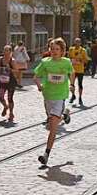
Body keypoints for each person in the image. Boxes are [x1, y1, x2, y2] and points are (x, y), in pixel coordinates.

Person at [34, 38, 73, 167]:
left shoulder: (66, 62)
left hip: (60, 96)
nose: (54, 51)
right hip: (48, 96)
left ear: (62, 51)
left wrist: (72, 84)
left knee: (53, 128)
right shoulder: (45, 63)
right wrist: (39, 85)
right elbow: (36, 76)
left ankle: (46, 155)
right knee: (53, 123)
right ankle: (65, 115)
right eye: (52, 49)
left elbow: (72, 73)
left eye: (57, 49)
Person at [0, 44, 17, 122]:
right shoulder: (0, 59)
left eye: (7, 51)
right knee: (0, 96)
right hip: (2, 80)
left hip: (11, 81)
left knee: (10, 98)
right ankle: (5, 106)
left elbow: (16, 70)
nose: (5, 52)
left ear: (10, 52)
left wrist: (10, 69)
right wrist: (1, 69)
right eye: (4, 50)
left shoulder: (12, 60)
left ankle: (11, 113)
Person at [68, 38, 88, 106]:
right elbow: (69, 58)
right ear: (74, 42)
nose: (77, 43)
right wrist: (71, 60)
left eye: (78, 42)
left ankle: (80, 98)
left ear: (80, 43)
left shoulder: (83, 50)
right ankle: (73, 95)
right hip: (72, 70)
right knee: (71, 84)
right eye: (76, 42)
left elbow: (86, 60)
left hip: (80, 70)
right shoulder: (71, 49)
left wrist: (80, 60)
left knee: (80, 84)